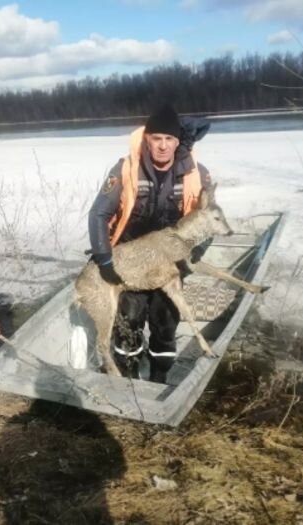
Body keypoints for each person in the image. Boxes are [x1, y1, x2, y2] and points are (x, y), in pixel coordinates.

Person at [87, 104, 211, 383]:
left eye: (170, 139)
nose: (163, 146)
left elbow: (209, 223)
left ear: (178, 141)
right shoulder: (126, 168)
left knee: (166, 323)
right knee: (128, 321)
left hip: (170, 262)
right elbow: (98, 214)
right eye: (157, 139)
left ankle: (158, 381)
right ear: (147, 139)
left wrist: (191, 258)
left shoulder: (197, 174)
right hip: (130, 260)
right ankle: (129, 380)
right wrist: (105, 260)